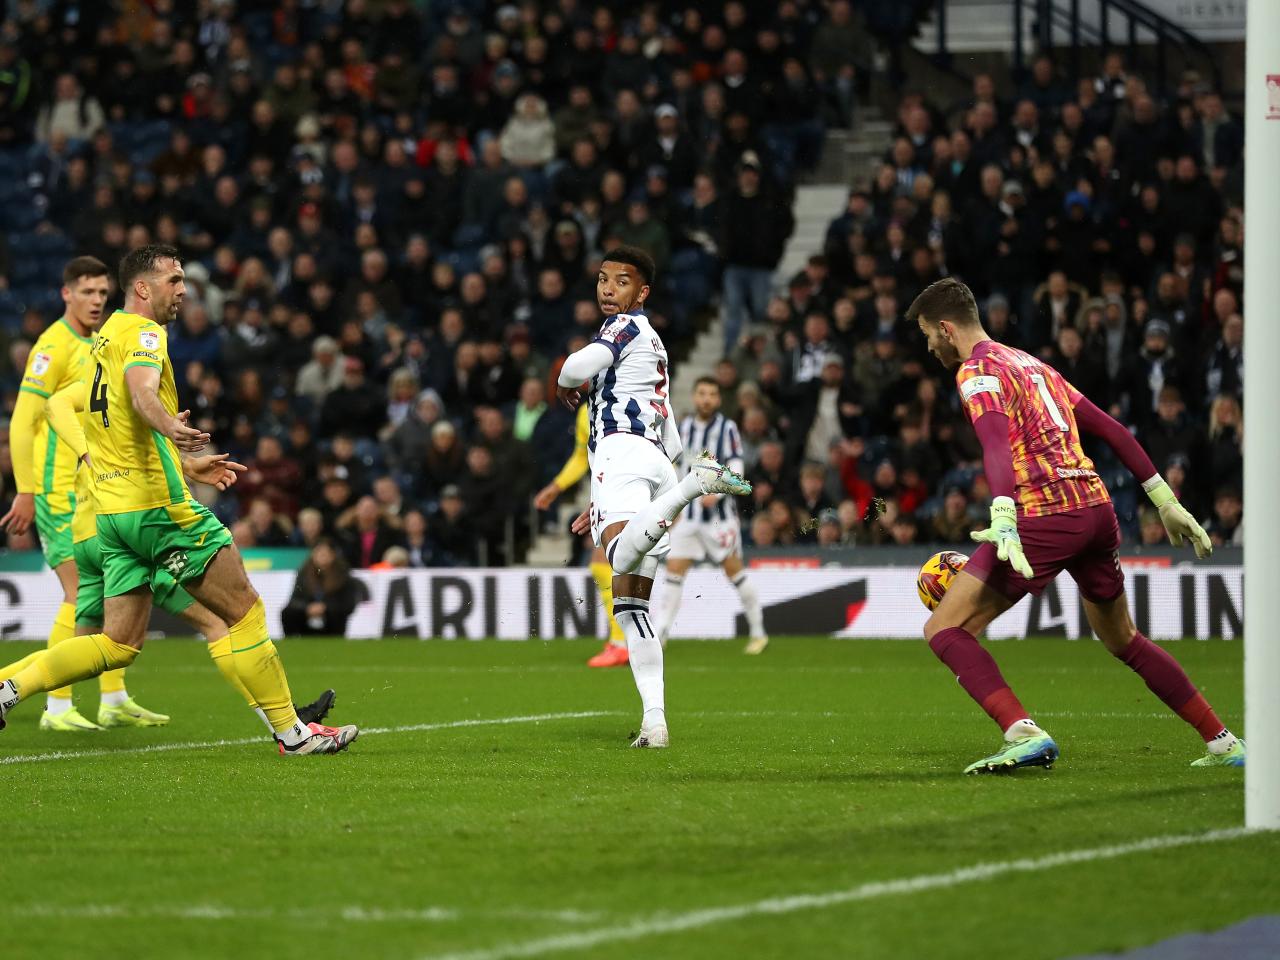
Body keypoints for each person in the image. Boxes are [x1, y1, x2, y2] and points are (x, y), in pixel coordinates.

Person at [0, 245, 357, 755]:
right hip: (158, 511)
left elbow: (115, 425)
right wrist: (172, 426)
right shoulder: (146, 334)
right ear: (143, 287)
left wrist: (183, 463)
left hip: (113, 516)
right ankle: (292, 732)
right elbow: (143, 392)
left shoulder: (105, 338)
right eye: (174, 279)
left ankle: (6, 688)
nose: (184, 290)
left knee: (116, 644)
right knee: (245, 613)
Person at [908, 277, 1242, 773]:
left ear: (944, 328)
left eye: (928, 336)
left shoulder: (976, 371)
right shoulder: (1032, 363)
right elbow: (1110, 427)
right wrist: (1164, 498)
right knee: (1124, 637)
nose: (930, 347)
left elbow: (995, 444)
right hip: (1095, 508)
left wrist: (1002, 512)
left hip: (1044, 514)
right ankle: (1223, 741)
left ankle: (1023, 732)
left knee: (946, 627)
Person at [0, 380, 337, 735]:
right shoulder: (123, 374)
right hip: (136, 529)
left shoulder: (103, 418)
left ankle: (10, 689)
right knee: (221, 621)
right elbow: (69, 414)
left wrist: (183, 462)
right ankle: (286, 723)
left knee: (104, 644)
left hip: (92, 534)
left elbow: (134, 450)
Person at [557, 246, 752, 748]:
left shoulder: (624, 329)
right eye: (602, 279)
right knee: (631, 610)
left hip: (624, 453)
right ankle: (655, 722)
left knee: (617, 553)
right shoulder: (655, 347)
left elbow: (577, 367)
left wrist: (562, 381)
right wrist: (604, 501)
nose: (607, 289)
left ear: (641, 293)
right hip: (654, 463)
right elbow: (672, 438)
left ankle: (696, 485)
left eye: (620, 282)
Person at [0, 257, 165, 730]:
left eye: (102, 292)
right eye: (87, 292)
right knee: (78, 596)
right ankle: (56, 707)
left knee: (102, 598)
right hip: (55, 492)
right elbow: (23, 418)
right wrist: (26, 491)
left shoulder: (99, 340)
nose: (96, 300)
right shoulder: (52, 346)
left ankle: (112, 699)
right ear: (66, 293)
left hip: (91, 488)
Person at [651, 377, 768, 654]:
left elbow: (737, 464)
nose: (707, 399)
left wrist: (719, 491)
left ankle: (758, 631)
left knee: (734, 571)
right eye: (702, 393)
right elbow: (674, 467)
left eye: (712, 394)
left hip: (719, 518)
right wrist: (673, 505)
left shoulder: (727, 428)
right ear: (694, 397)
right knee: (674, 571)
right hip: (687, 517)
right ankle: (661, 633)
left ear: (718, 399)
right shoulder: (684, 427)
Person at [533, 401, 629, 668]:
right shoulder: (586, 411)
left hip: (630, 489)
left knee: (606, 563)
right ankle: (626, 639)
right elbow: (580, 455)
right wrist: (557, 486)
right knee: (608, 564)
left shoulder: (625, 402)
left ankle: (623, 643)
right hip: (609, 491)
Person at [282, 539, 363, 636]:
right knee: (287, 612)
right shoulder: (304, 574)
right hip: (307, 616)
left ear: (333, 555)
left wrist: (325, 608)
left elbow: (348, 605)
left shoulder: (343, 575)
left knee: (337, 615)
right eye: (318, 552)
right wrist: (307, 608)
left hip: (331, 620)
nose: (322, 556)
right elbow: (294, 600)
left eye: (325, 553)